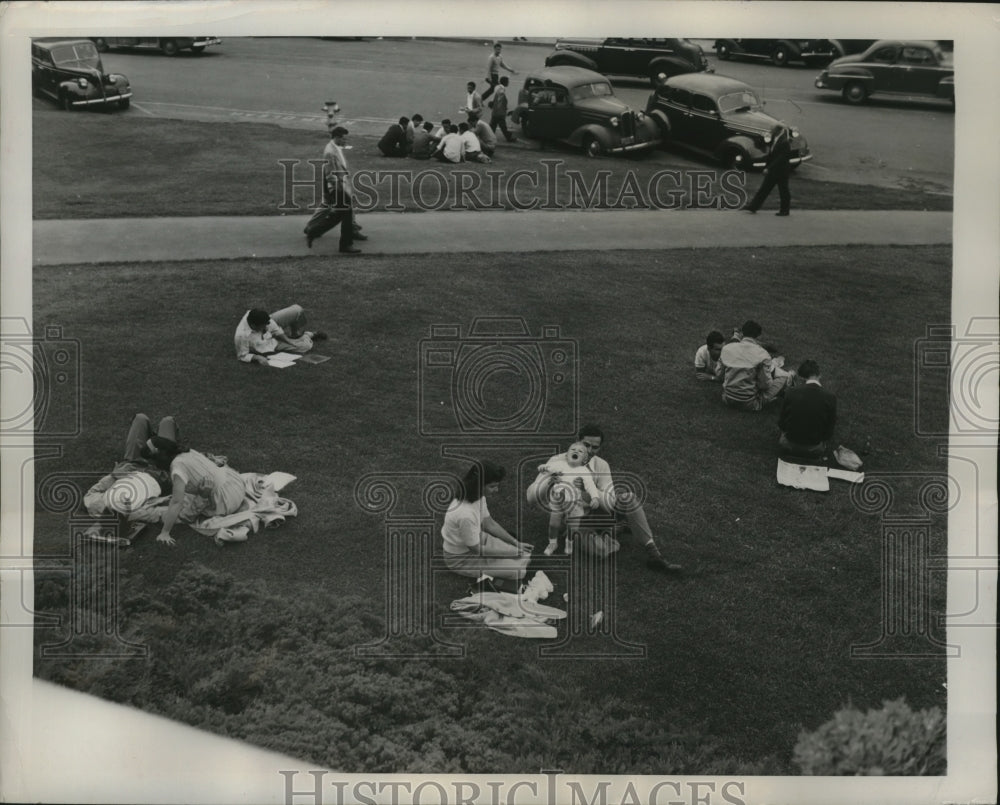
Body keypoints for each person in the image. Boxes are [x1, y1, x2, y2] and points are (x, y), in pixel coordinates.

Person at [527, 424, 682, 574]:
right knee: (600, 550)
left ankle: (654, 555)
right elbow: (531, 497)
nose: (589, 450)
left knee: (629, 498)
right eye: (586, 445)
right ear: (578, 441)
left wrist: (586, 490)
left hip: (596, 511)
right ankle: (614, 530)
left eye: (595, 447)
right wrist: (549, 482)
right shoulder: (557, 462)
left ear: (599, 448)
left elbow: (610, 503)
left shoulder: (601, 465)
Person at [441, 460, 532, 582]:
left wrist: (516, 543)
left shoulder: (478, 497)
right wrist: (509, 553)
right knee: (519, 570)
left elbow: (490, 524)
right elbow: (477, 550)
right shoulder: (465, 514)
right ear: (478, 485)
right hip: (460, 559)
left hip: (478, 540)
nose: (496, 490)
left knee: (525, 556)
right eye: (492, 486)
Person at [83, 413, 177, 531]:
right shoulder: (137, 514)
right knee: (167, 422)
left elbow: (92, 492)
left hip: (132, 465)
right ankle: (157, 444)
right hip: (160, 473)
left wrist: (114, 476)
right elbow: (166, 513)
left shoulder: (96, 505)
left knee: (140, 418)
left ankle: (151, 443)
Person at [149, 436, 248, 546]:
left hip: (226, 501)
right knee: (185, 496)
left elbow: (177, 503)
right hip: (236, 485)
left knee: (182, 511)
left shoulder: (177, 467)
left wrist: (165, 532)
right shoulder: (188, 451)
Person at [305, 126, 362, 253]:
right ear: (337, 137)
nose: (345, 141)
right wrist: (339, 190)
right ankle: (344, 244)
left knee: (341, 214)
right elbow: (330, 174)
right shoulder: (330, 152)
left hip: (341, 186)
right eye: (344, 139)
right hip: (337, 187)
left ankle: (315, 232)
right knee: (343, 214)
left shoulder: (336, 148)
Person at [719, 320, 794, 410]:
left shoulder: (727, 348)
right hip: (749, 403)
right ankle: (788, 381)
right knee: (784, 376)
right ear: (758, 335)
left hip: (727, 398)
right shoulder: (762, 354)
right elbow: (765, 385)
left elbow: (719, 375)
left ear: (742, 333)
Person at [778, 360, 837, 457]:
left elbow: (782, 423)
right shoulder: (830, 397)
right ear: (820, 375)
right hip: (814, 449)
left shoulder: (790, 392)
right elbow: (830, 428)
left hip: (788, 446)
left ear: (801, 377)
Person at [234, 305, 327, 366]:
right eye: (263, 327)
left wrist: (288, 341)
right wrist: (257, 357)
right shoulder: (241, 336)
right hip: (268, 343)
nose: (265, 327)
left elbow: (275, 329)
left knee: (297, 310)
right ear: (254, 326)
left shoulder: (255, 316)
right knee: (305, 347)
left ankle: (295, 335)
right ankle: (309, 334)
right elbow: (242, 355)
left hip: (270, 333)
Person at [744, 127, 793, 216]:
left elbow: (780, 158)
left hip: (781, 171)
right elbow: (761, 145)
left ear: (779, 131)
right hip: (774, 170)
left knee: (783, 190)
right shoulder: (775, 139)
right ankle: (753, 206)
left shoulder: (784, 142)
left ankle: (785, 210)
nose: (771, 131)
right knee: (764, 189)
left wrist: (769, 168)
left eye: (773, 130)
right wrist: (762, 137)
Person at [489, 76, 515, 143]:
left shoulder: (497, 87)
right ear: (505, 82)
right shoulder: (501, 90)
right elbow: (500, 100)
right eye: (507, 81)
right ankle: (508, 137)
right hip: (499, 112)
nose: (508, 83)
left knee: (493, 125)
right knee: (502, 126)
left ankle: (490, 138)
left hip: (495, 111)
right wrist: (503, 109)